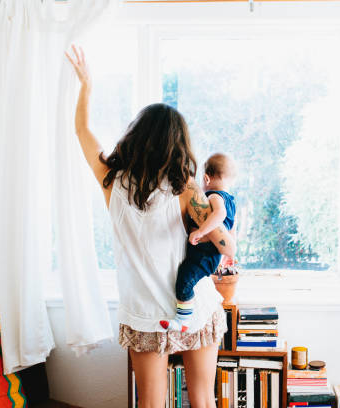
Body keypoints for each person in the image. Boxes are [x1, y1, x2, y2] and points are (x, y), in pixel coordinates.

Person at [65, 44, 235, 408]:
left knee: (150, 404)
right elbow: (225, 245)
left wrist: (87, 86)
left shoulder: (111, 179)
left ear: (136, 137)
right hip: (193, 306)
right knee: (203, 400)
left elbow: (81, 131)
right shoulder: (187, 188)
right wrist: (219, 209)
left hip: (143, 314)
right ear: (178, 146)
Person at [161, 153, 237, 332]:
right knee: (186, 277)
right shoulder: (232, 200)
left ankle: (182, 319)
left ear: (206, 178)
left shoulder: (213, 196)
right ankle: (182, 317)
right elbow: (231, 230)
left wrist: (201, 231)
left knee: (184, 280)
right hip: (212, 253)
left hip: (204, 253)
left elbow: (219, 215)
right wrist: (228, 254)